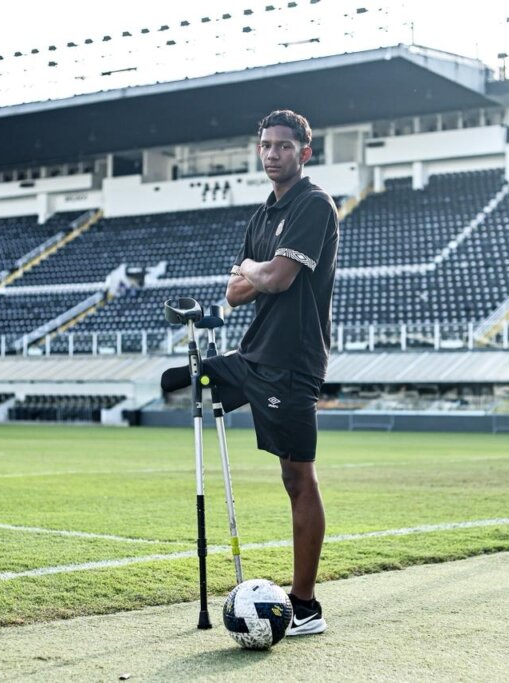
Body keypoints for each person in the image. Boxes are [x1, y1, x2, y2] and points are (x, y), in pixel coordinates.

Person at [162, 109, 339, 636]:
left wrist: (252, 271)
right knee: (184, 377)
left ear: (304, 152)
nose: (273, 154)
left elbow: (278, 279)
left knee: (297, 477)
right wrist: (253, 274)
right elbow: (235, 292)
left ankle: (305, 606)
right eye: (266, 145)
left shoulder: (313, 204)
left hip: (292, 361)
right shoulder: (262, 216)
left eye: (283, 146)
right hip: (253, 353)